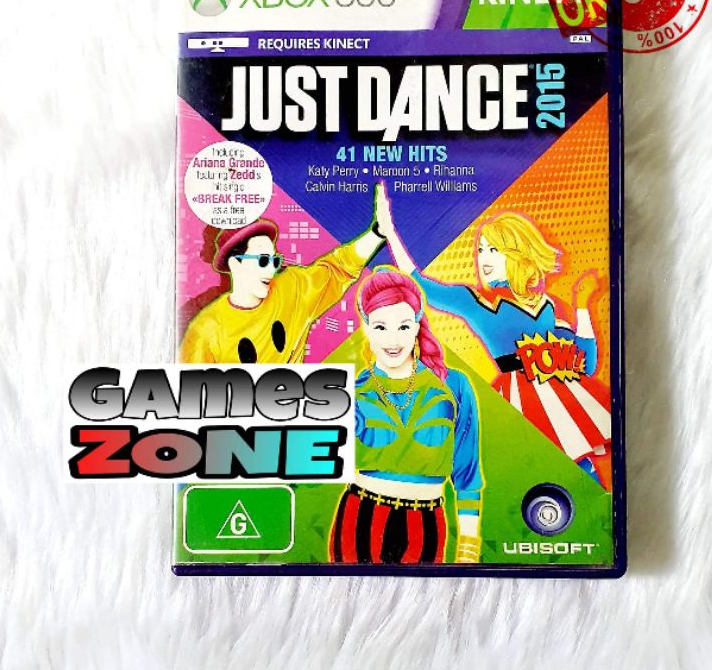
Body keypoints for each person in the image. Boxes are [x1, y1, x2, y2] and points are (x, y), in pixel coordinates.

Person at [375, 185, 612, 488]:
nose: (483, 258)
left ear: (518, 254)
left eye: (493, 250)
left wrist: (582, 307)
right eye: (481, 250)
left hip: (561, 402)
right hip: (518, 403)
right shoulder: (479, 303)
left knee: (579, 468)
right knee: (524, 472)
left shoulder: (549, 306)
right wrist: (390, 232)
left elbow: (585, 365)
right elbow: (425, 288)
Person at [330, 269, 483, 565]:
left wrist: (468, 547)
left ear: (416, 325)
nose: (393, 339)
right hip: (360, 517)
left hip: (427, 522)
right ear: (366, 327)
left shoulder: (453, 385)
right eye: (380, 327)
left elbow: (467, 472)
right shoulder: (353, 390)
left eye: (402, 326)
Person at [180, 185, 387, 363]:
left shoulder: (293, 289)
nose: (271, 270)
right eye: (262, 261)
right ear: (235, 264)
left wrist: (377, 232)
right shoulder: (205, 332)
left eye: (274, 261)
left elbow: (337, 267)